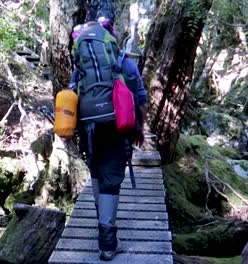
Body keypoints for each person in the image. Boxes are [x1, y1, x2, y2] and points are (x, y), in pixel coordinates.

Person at [69, 18, 147, 261]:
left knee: (96, 171)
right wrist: (137, 125)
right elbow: (140, 97)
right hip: (117, 128)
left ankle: (100, 219)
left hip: (89, 129)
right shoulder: (124, 63)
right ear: (111, 40)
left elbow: (73, 93)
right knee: (111, 180)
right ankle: (107, 243)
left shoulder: (82, 67)